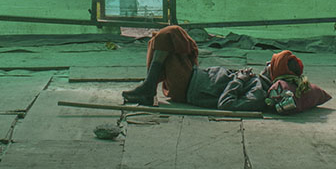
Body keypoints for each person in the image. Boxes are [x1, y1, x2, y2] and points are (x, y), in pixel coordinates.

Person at [122, 27, 306, 113]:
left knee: (168, 35)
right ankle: (148, 87)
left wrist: (239, 79)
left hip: (188, 86)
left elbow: (226, 104)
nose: (266, 63)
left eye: (270, 64)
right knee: (175, 41)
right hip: (195, 74)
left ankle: (148, 87)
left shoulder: (258, 94)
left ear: (274, 72)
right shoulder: (258, 81)